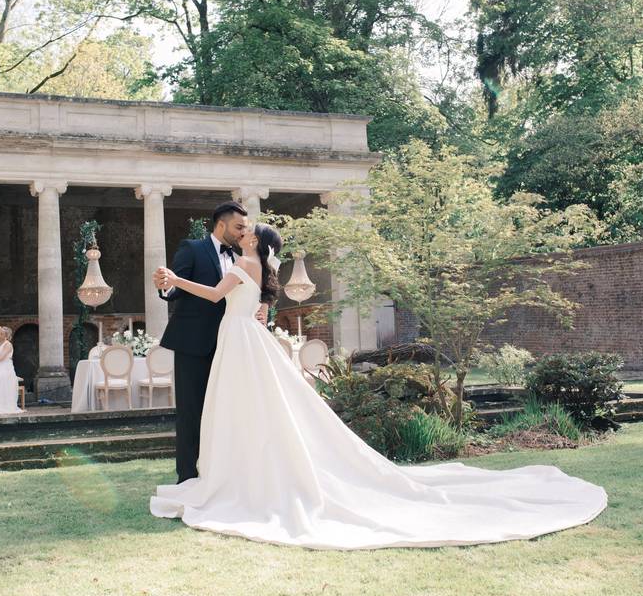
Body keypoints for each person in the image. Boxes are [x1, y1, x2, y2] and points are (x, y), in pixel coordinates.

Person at [149, 223, 607, 550]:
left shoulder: (244, 262)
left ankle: (241, 477)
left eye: (251, 229)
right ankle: (238, 472)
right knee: (244, 409)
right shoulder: (252, 263)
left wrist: (174, 279)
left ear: (256, 242)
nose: (246, 229)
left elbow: (212, 294)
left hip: (239, 339)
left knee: (240, 408)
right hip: (242, 337)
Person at [154, 202, 269, 483]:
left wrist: (264, 305)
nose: (242, 231)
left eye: (245, 228)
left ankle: (221, 474)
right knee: (191, 412)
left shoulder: (245, 258)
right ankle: (187, 477)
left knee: (227, 410)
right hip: (194, 344)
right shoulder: (192, 248)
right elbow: (173, 287)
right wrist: (166, 283)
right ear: (221, 224)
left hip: (232, 345)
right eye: (238, 227)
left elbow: (265, 283)